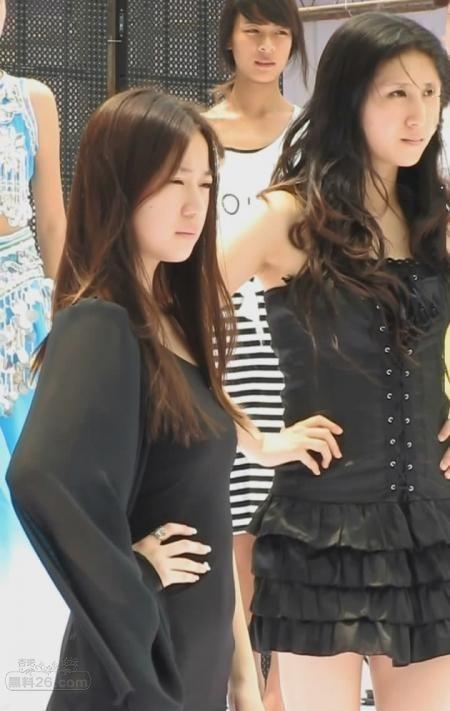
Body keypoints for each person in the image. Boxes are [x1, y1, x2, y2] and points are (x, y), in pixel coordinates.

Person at [6, 86, 342, 711]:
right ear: (121, 187)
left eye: (205, 184)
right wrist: (131, 573)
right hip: (142, 670)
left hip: (194, 661)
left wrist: (243, 679)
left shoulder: (176, 324)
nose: (195, 205)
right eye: (173, 183)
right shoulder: (101, 323)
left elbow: (209, 512)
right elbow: (39, 477)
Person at [219, 12, 450, 711]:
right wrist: (254, 436)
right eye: (397, 93)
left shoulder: (438, 219)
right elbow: (167, 318)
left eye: (431, 94)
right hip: (320, 530)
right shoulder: (289, 217)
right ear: (350, 99)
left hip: (429, 528)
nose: (419, 115)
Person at [205, 3, 307, 705]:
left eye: (279, 32)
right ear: (229, 38)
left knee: (289, 543)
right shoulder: (196, 131)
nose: (267, 46)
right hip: (218, 351)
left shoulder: (314, 134)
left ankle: (277, 696)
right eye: (253, 30)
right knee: (232, 537)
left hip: (296, 349)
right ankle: (236, 692)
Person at [0, 0, 65, 571]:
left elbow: (52, 220)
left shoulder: (32, 98)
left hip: (23, 308)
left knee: (38, 465)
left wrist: (66, 313)